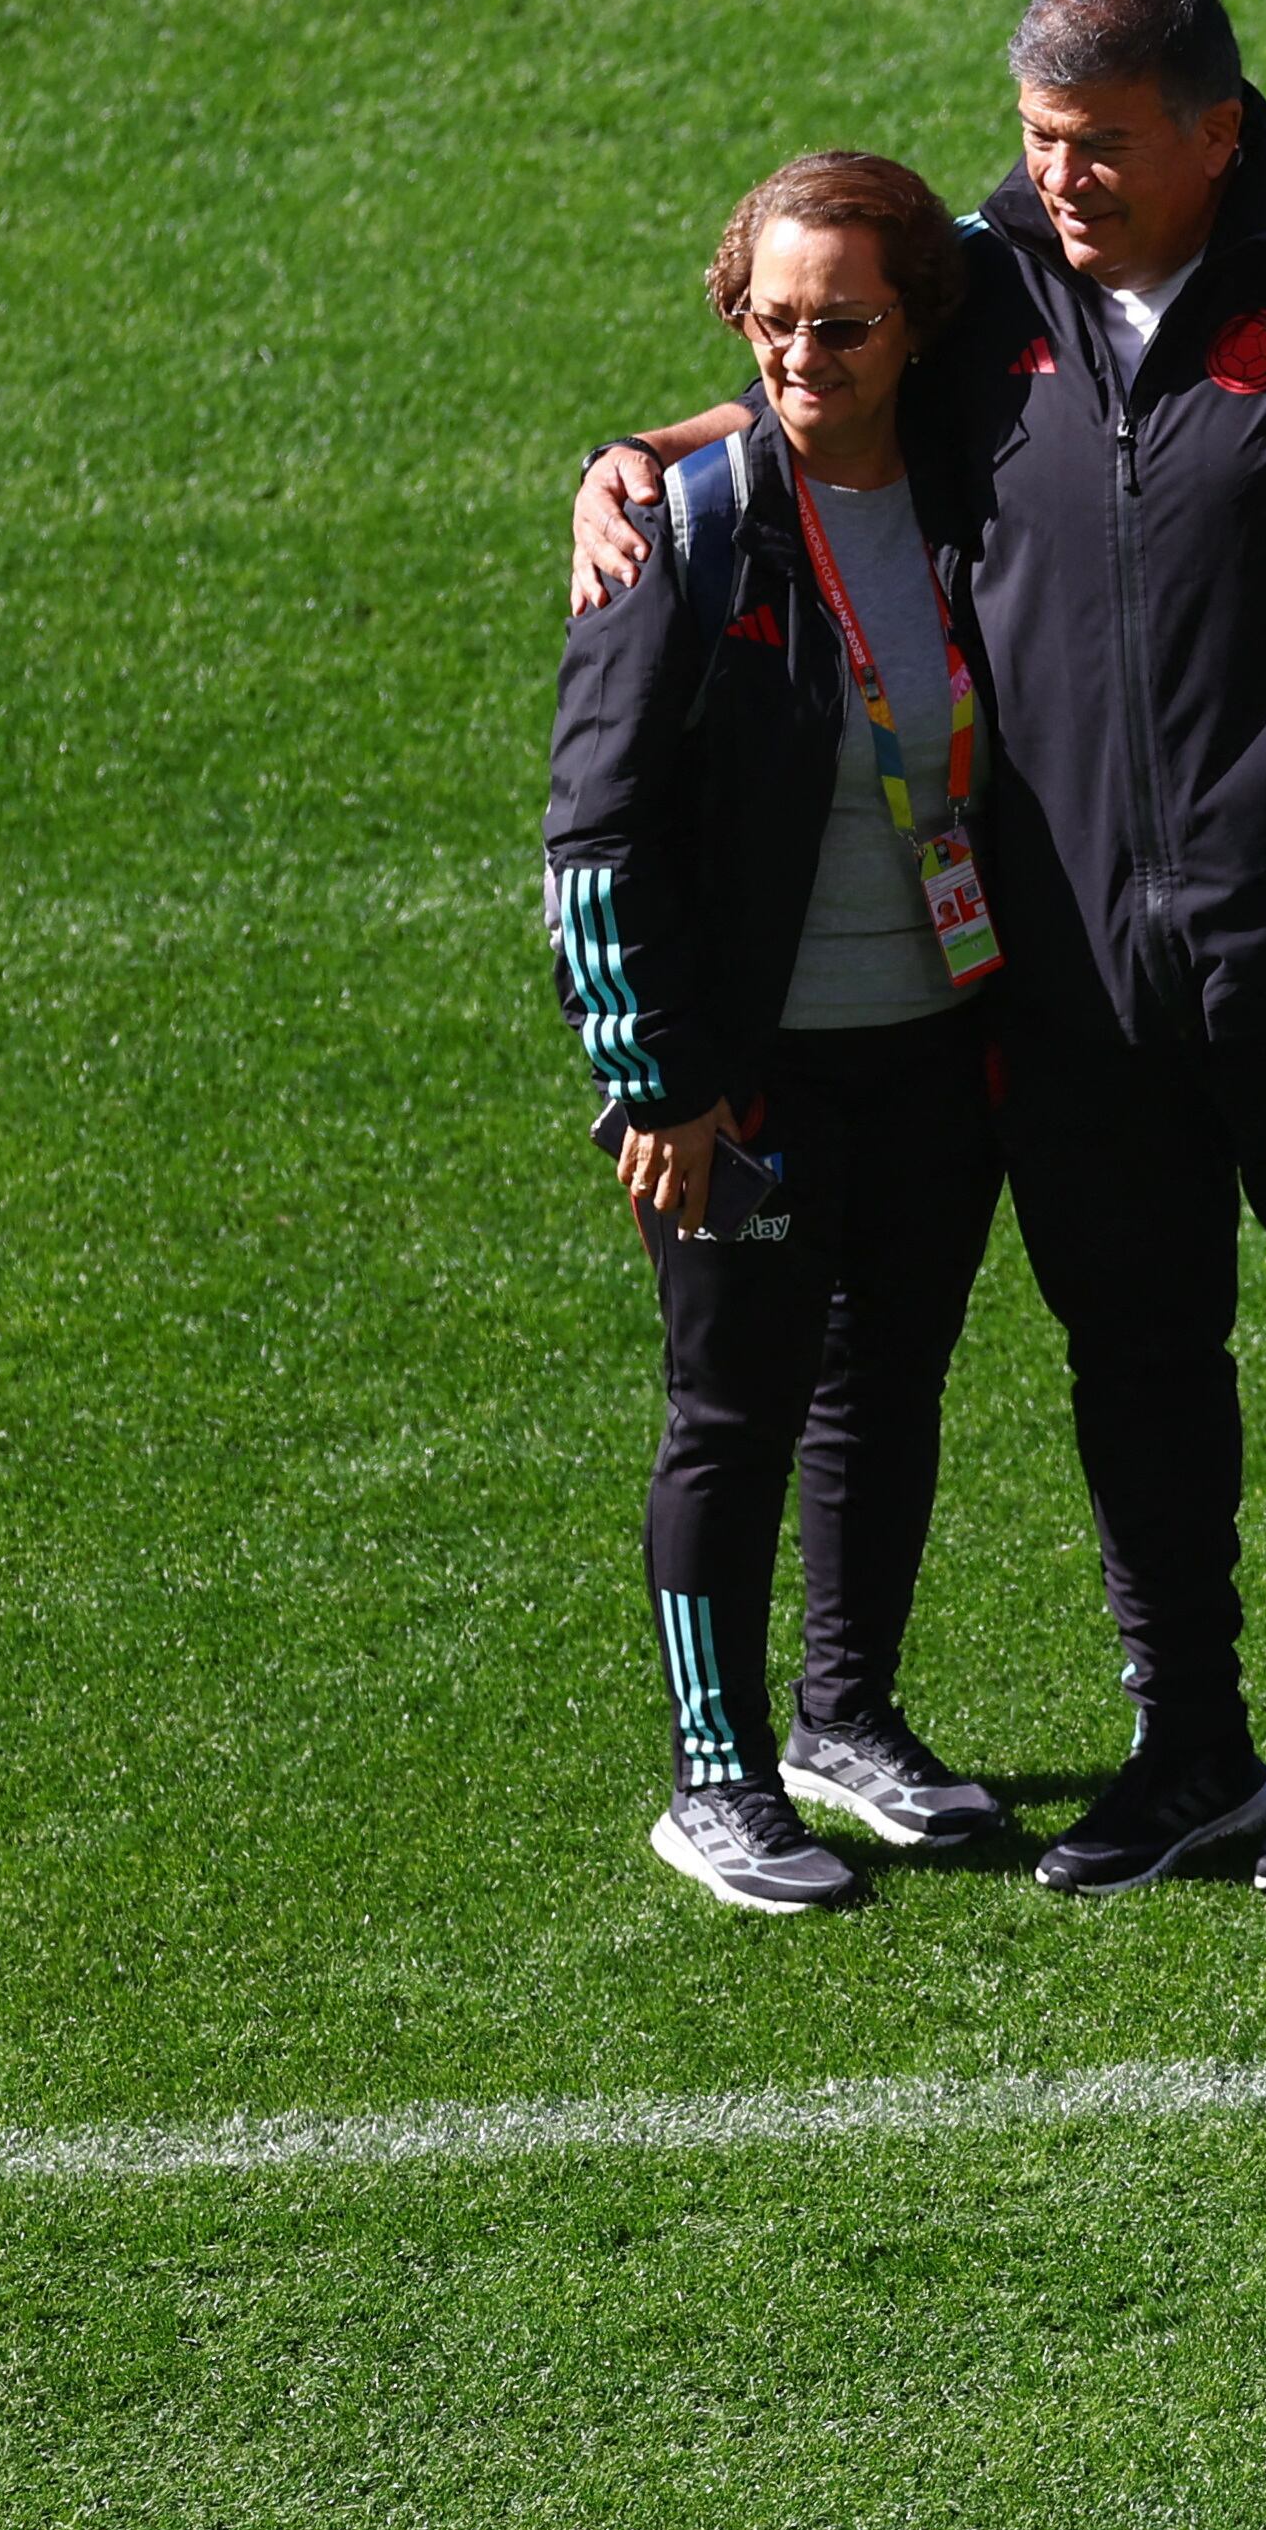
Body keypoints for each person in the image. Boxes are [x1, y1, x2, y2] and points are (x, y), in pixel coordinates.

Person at [573, 0, 1266, 1902]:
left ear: (1215, 135)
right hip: (1064, 992)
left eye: (1100, 144)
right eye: (1040, 136)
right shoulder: (993, 271)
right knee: (1124, 1359)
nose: (1057, 176)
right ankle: (1190, 1745)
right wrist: (633, 458)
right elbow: (816, 362)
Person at [544, 152, 1012, 1911]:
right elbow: (591, 834)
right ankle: (715, 1773)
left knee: (884, 1391)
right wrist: (653, 1079)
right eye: (774, 320)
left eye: (844, 323)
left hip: (933, 1048)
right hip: (741, 1084)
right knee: (731, 1411)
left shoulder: (978, 483)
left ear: (916, 332)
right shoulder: (686, 526)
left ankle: (845, 1717)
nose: (804, 355)